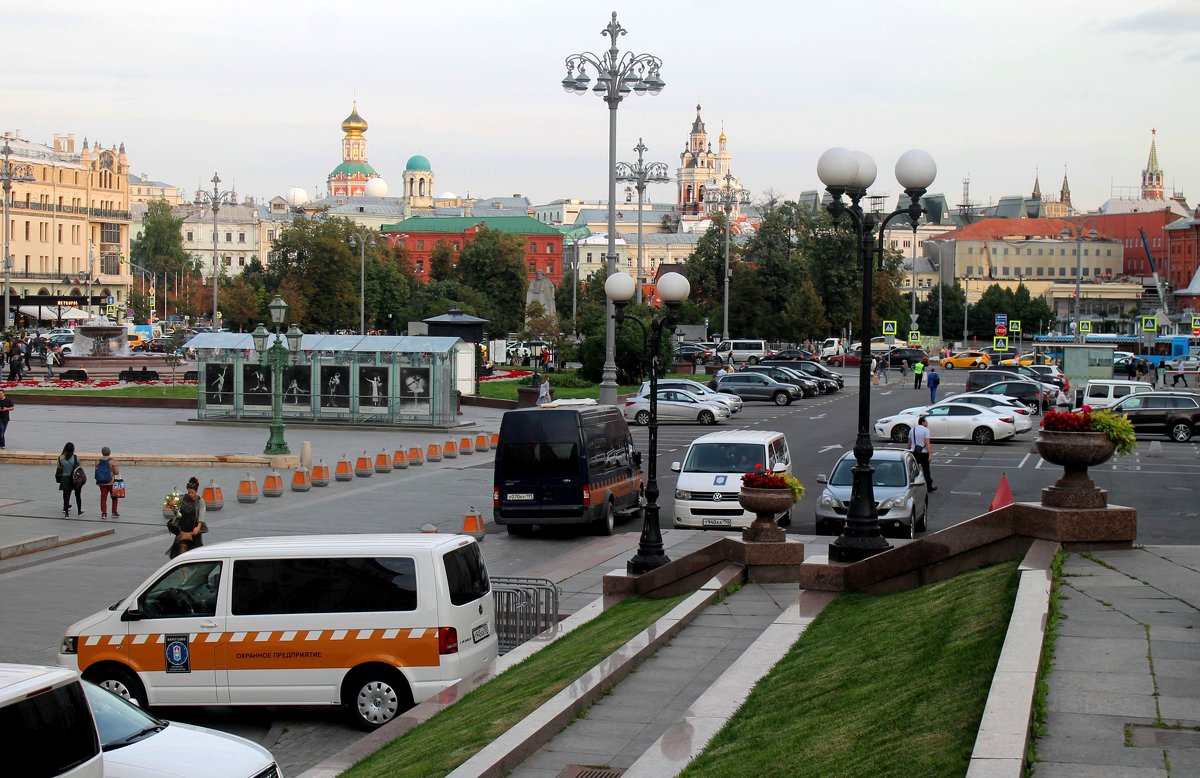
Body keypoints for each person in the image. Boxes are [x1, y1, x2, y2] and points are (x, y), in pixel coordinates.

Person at [170, 477, 207, 559]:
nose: (190, 494)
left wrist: (198, 527)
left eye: (192, 492)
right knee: (181, 552)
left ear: (196, 492)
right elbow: (177, 513)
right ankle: (184, 570)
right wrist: (173, 506)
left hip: (194, 530)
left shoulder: (200, 501)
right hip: (183, 529)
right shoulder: (182, 498)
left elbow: (202, 513)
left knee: (196, 552)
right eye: (189, 492)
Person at [909, 416, 936, 492]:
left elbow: (909, 443)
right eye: (926, 421)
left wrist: (909, 450)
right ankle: (929, 487)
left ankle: (912, 488)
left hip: (914, 452)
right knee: (926, 471)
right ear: (922, 422)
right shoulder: (926, 430)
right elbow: (927, 443)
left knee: (913, 471)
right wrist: (930, 454)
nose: (927, 423)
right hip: (923, 453)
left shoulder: (912, 429)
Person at [58, 441, 84, 518]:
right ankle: (79, 511)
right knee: (78, 495)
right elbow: (79, 466)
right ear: (73, 449)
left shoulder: (60, 458)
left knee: (66, 496)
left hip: (65, 478)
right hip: (75, 478)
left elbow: (59, 467)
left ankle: (66, 513)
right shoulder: (75, 458)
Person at [95, 446, 120, 520]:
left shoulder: (98, 461)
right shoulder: (112, 461)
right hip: (111, 482)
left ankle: (104, 513)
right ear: (109, 452)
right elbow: (116, 472)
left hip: (101, 483)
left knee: (103, 498)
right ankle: (114, 512)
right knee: (114, 497)